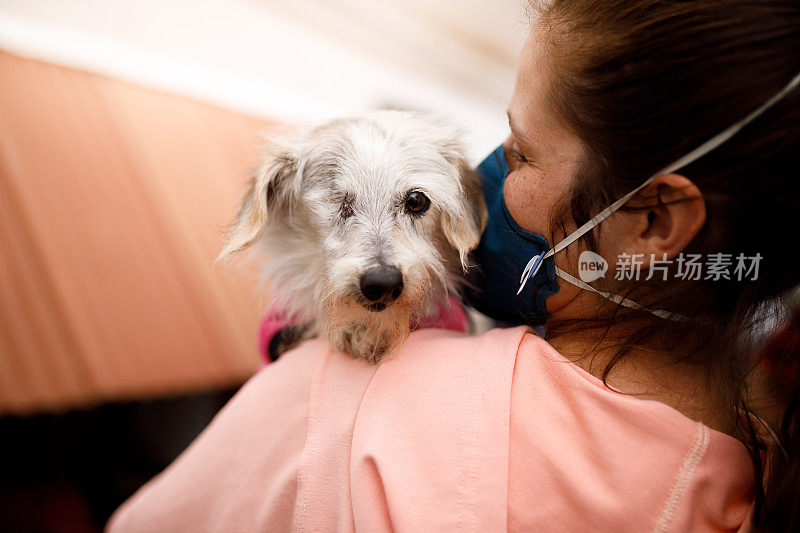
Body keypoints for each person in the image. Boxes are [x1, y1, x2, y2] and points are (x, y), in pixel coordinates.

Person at [107, 1, 800, 531]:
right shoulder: (761, 471)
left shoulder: (340, 396)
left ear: (653, 220)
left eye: (521, 152)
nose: (478, 178)